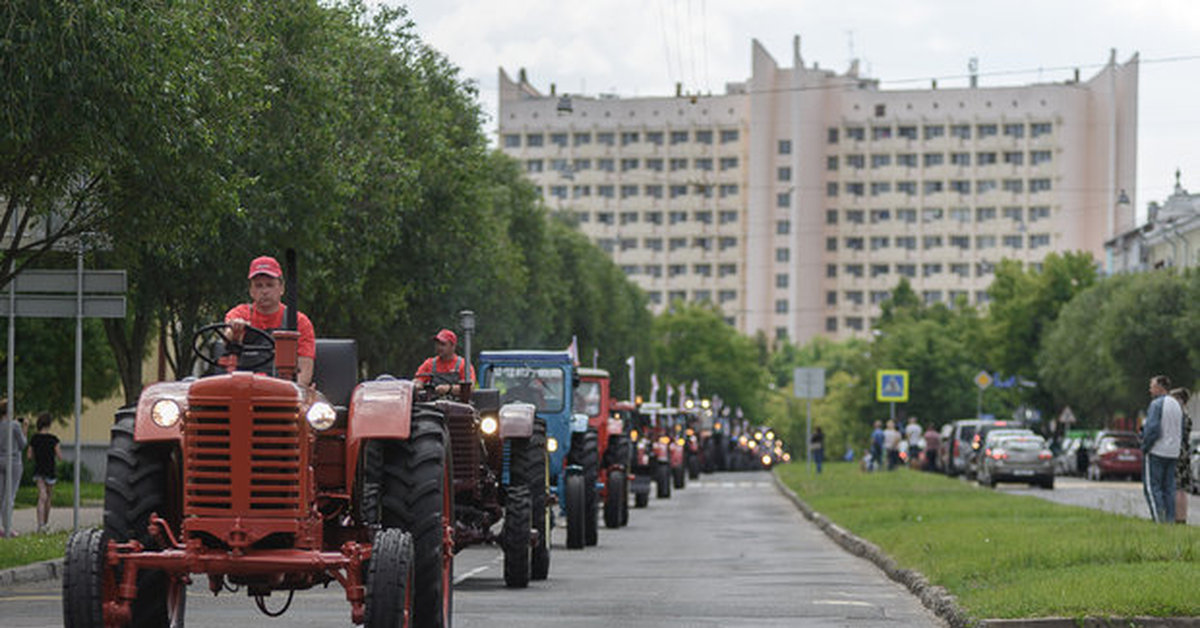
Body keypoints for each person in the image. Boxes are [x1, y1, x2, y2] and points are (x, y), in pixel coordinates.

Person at [225, 255, 316, 387]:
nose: (265, 291)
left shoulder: (299, 322)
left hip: (282, 393)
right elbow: (227, 335)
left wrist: (295, 391)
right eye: (259, 286)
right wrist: (235, 331)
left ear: (282, 288)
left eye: (270, 285)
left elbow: (304, 370)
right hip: (242, 388)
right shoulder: (240, 314)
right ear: (251, 290)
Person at [1141, 375, 1182, 523]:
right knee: (1169, 488)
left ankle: (1159, 520)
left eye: (1152, 386)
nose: (1150, 389)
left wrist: (1145, 446)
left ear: (1160, 387)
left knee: (1153, 488)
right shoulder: (1176, 404)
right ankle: (1170, 520)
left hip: (1157, 450)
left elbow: (1153, 429)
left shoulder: (1156, 404)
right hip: (1173, 452)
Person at [415, 329, 476, 397]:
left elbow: (470, 388)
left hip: (458, 405)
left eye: (443, 344)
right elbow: (418, 380)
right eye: (437, 344)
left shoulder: (463, 365)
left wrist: (449, 389)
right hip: (432, 404)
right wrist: (417, 385)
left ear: (453, 346)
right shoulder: (429, 363)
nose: (439, 347)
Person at [27, 413, 61, 534]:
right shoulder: (53, 439)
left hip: (39, 470)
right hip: (50, 470)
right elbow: (59, 456)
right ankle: (45, 524)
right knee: (47, 497)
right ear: (49, 424)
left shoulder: (34, 438)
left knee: (42, 496)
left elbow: (29, 456)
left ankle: (41, 524)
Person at [0, 401, 26, 537]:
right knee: (10, 496)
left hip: (0, 460)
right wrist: (25, 428)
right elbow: (22, 444)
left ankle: (1, 527)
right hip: (13, 461)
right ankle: (8, 528)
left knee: (1, 495)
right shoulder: (15, 425)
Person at [1171, 387, 1191, 524]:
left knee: (1176, 486)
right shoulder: (1187, 416)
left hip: (1177, 452)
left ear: (1180, 400)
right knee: (1182, 488)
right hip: (1185, 453)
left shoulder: (1178, 417)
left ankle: (1176, 516)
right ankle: (1182, 517)